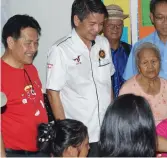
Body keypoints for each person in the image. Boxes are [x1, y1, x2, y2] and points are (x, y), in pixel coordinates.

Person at [46, 0, 114, 156]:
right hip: (80, 139)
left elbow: (107, 83)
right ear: (77, 20)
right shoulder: (60, 50)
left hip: (106, 132)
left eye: (101, 24)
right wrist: (67, 136)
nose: (97, 29)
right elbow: (52, 93)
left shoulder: (103, 43)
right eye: (92, 24)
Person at [1, 14, 48, 157]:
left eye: (36, 43)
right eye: (28, 43)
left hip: (41, 150)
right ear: (10, 42)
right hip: (14, 153)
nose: (33, 49)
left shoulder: (31, 69)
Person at [119, 42, 167, 125]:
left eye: (154, 61)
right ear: (138, 66)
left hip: (166, 134)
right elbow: (123, 121)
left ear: (160, 63)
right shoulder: (127, 89)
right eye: (145, 62)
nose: (150, 66)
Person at [103, 4, 131, 98]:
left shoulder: (131, 51)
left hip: (126, 106)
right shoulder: (94, 50)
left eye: (119, 25)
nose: (115, 28)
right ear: (102, 26)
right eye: (111, 25)